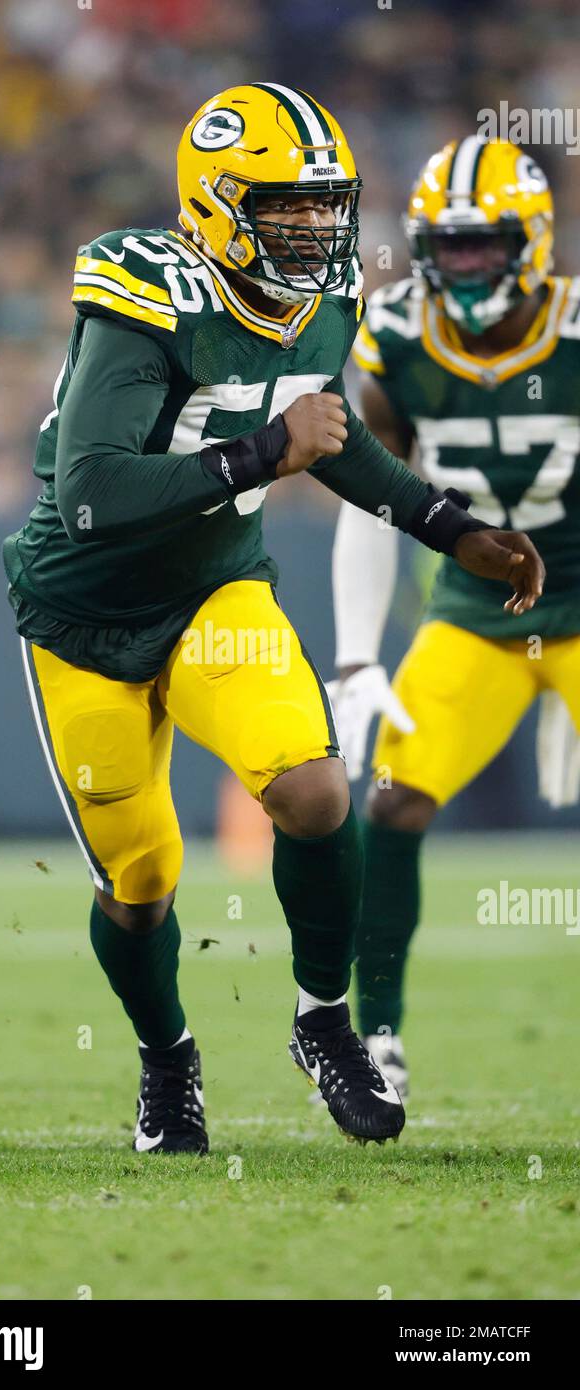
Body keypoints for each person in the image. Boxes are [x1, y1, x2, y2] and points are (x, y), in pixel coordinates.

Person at [3, 97, 543, 1152]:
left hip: (215, 592)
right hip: (83, 615)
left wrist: (445, 524)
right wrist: (263, 456)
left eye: (323, 210)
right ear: (216, 206)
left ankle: (321, 1017)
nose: (313, 234)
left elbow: (323, 430)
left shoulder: (322, 293)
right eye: (285, 210)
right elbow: (89, 493)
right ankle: (169, 1062)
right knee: (143, 880)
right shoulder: (144, 290)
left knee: (312, 788)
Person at [330, 138, 577, 1097]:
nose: (464, 264)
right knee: (392, 798)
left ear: (533, 241)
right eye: (449, 245)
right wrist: (355, 659)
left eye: (485, 245)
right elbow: (370, 499)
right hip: (477, 616)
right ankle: (374, 1039)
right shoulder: (392, 337)